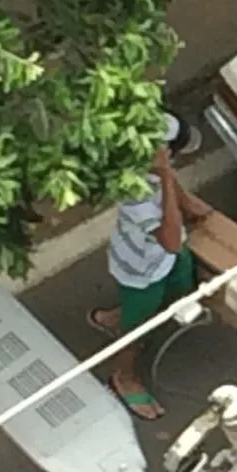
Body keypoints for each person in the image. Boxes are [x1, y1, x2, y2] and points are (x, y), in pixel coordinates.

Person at [89, 113, 211, 420]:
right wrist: (167, 176)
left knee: (182, 288)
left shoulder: (150, 167)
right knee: (138, 332)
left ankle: (114, 316)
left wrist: (185, 199)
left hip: (166, 259)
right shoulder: (135, 195)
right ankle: (124, 378)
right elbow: (169, 239)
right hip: (142, 272)